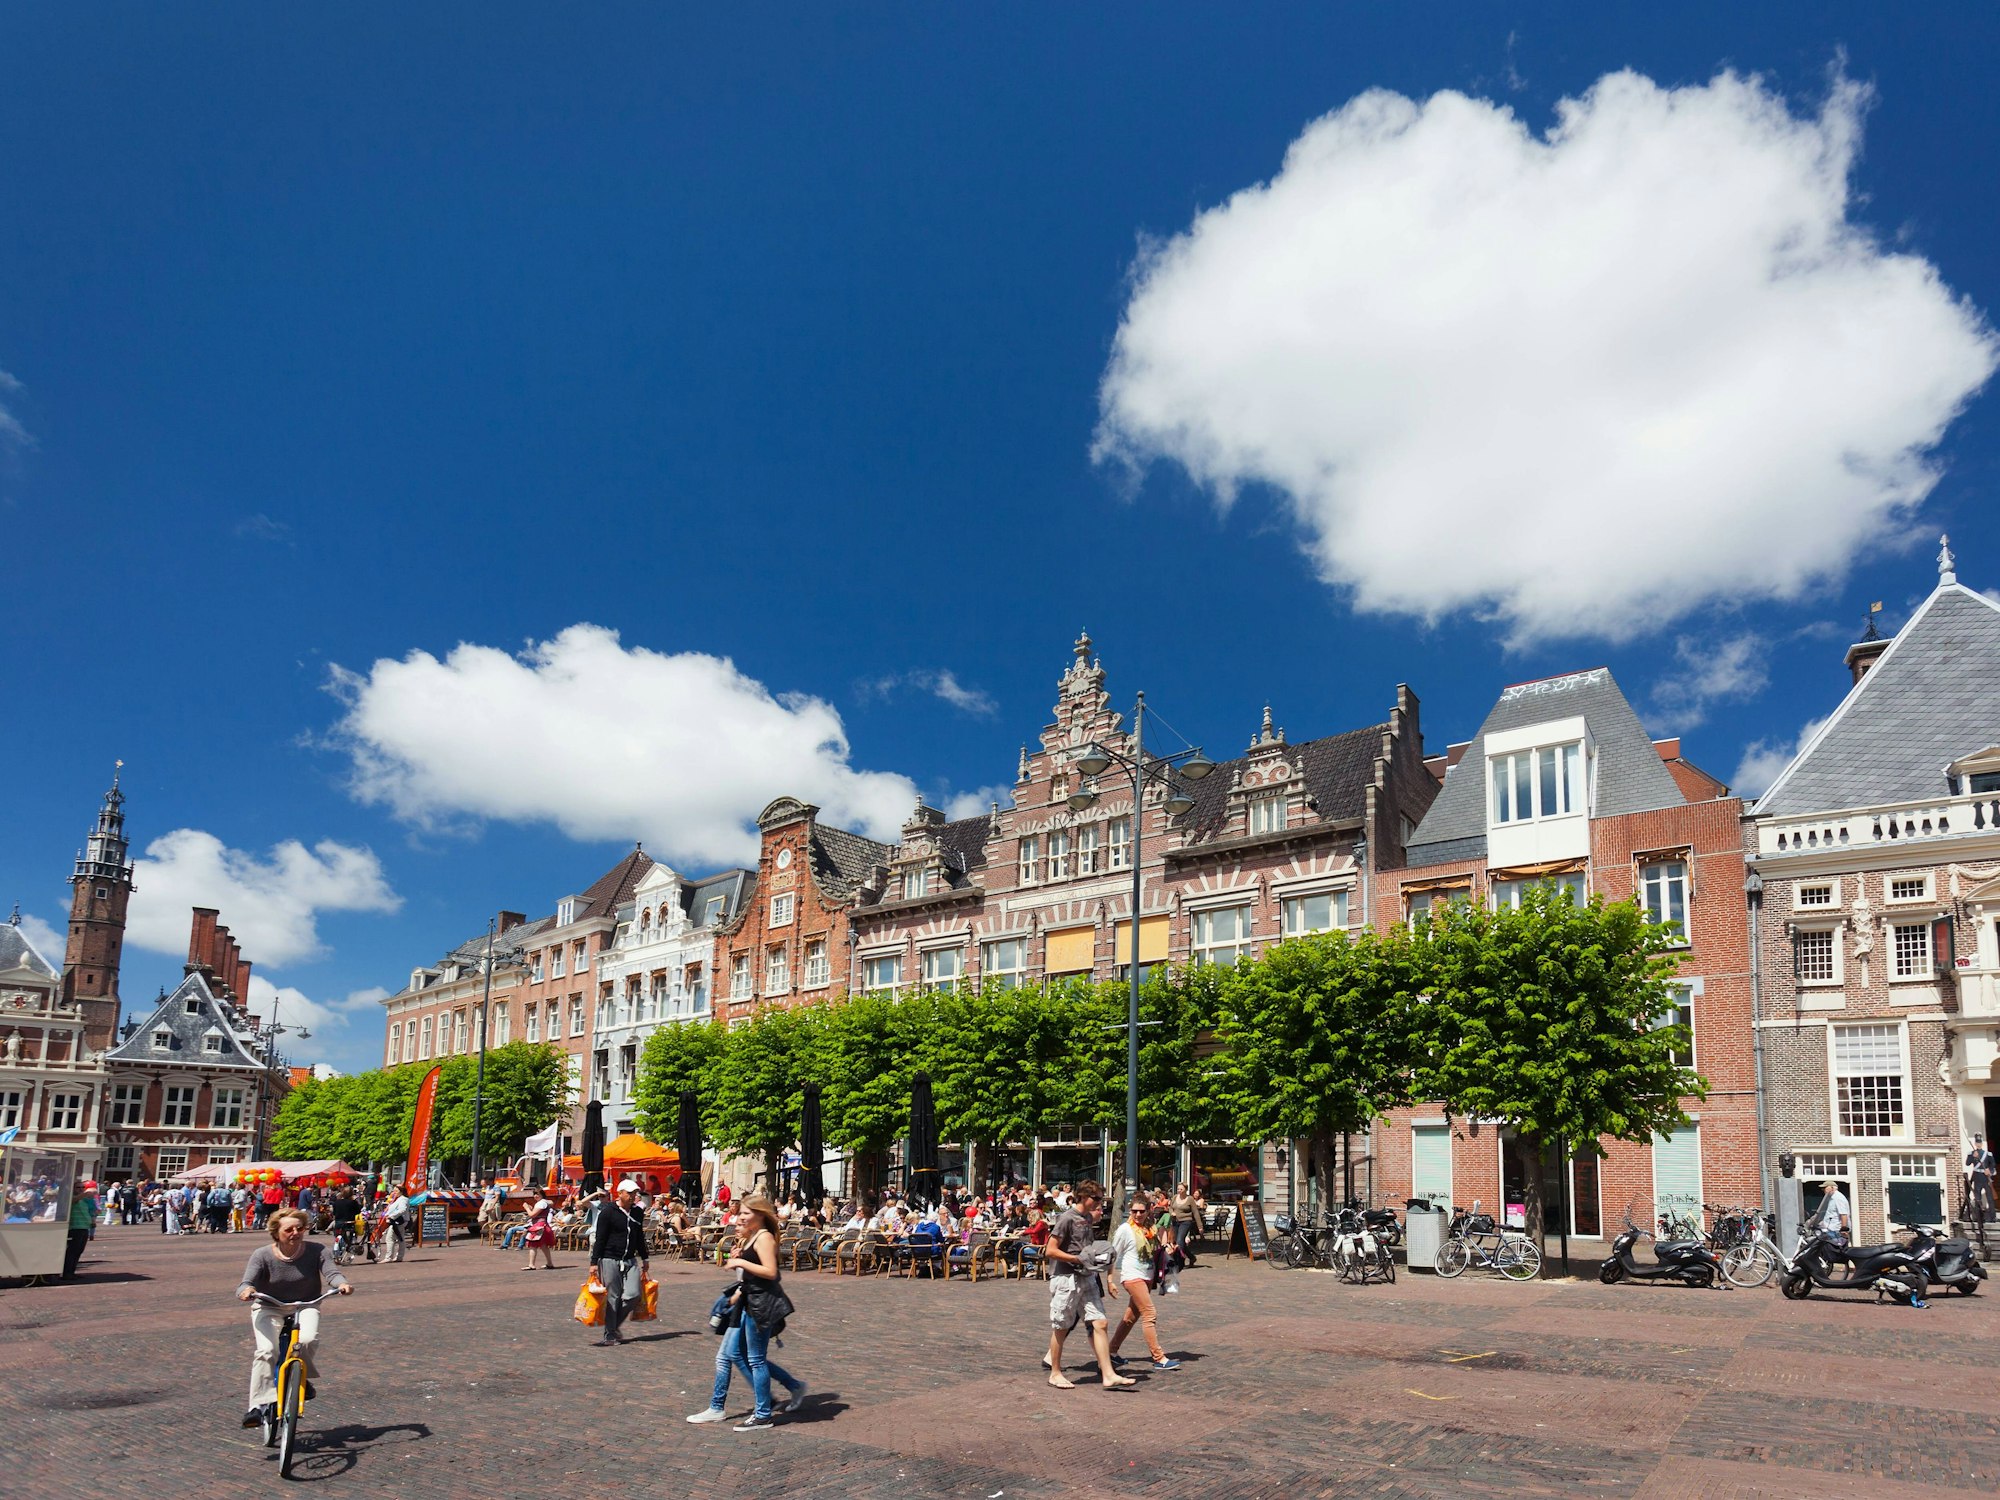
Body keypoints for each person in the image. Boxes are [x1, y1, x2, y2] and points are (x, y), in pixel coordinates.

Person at [687, 1194, 806, 1431]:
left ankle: (762, 1413)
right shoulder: (755, 1237)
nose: (740, 1217)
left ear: (760, 1214)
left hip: (761, 1305)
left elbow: (771, 1272)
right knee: (737, 1355)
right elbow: (755, 1275)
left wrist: (741, 1263)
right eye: (740, 1213)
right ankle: (779, 1394)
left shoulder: (764, 1238)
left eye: (745, 1213)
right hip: (750, 1302)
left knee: (754, 1359)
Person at [236, 1208, 352, 1429]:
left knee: (307, 1340)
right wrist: (247, 1290)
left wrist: (342, 1284)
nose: (295, 1233)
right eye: (288, 1229)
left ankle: (301, 1377)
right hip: (270, 1306)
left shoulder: (317, 1250)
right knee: (267, 1351)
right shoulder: (262, 1254)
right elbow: (246, 1281)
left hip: (305, 1305)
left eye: (300, 1228)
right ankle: (258, 1407)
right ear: (276, 1232)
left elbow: (331, 1273)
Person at [1041, 1181, 1134, 1392]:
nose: (1100, 1203)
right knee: (1061, 1326)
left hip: (1087, 1276)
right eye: (1097, 1199)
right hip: (1066, 1278)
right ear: (1083, 1197)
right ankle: (1055, 1373)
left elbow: (1088, 1237)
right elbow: (1050, 1250)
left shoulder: (1087, 1217)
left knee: (1100, 1322)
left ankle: (1108, 1374)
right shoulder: (1066, 1219)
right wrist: (1077, 1259)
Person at [1106, 1197, 1180, 1370]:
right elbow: (1112, 1254)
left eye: (1141, 1211)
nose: (1137, 1214)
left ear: (1148, 1211)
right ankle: (1159, 1358)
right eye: (1134, 1211)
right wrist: (1110, 1280)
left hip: (1147, 1276)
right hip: (1132, 1276)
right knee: (1149, 1313)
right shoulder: (1125, 1229)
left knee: (1130, 1317)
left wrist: (1168, 1250)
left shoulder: (1150, 1229)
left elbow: (1156, 1250)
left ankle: (1111, 1351)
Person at [590, 1179, 649, 1346]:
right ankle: (610, 1334)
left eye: (634, 1193)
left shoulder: (637, 1212)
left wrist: (645, 1257)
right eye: (629, 1193)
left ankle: (613, 1326)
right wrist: (594, 1262)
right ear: (620, 1193)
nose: (633, 1196)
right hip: (609, 1258)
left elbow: (639, 1236)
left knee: (633, 1295)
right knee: (613, 1297)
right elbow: (600, 1239)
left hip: (630, 1259)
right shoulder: (608, 1212)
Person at [63, 1179, 98, 1279]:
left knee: (79, 1251)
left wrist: (92, 1221)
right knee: (72, 1251)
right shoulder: (72, 1198)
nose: (81, 1189)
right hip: (75, 1227)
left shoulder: (84, 1200)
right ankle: (67, 1272)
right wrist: (86, 1193)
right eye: (78, 1187)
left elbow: (90, 1211)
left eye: (83, 1187)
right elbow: (74, 1200)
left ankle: (72, 1271)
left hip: (84, 1227)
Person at [1966, 1134, 1996, 1226]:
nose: (1978, 1144)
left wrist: (1989, 1171)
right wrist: (1973, 1157)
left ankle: (1992, 1216)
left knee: (1990, 1198)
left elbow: (1993, 1164)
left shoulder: (1987, 1154)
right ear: (1975, 1143)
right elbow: (1967, 1163)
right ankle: (1978, 1216)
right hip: (1977, 1177)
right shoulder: (1972, 1153)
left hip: (1985, 1177)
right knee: (1977, 1197)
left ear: (1981, 1143)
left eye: (1979, 1142)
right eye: (1977, 1142)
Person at [522, 1197, 556, 1270]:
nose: (535, 1196)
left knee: (532, 1245)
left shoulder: (542, 1203)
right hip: (542, 1225)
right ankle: (549, 1263)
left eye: (537, 1194)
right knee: (544, 1245)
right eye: (534, 1194)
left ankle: (531, 1265)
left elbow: (532, 1215)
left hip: (539, 1226)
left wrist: (527, 1208)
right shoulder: (544, 1203)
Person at [1816, 1179, 1851, 1245]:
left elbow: (1843, 1214)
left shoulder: (1838, 1198)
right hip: (1830, 1229)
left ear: (1832, 1187)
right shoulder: (1832, 1197)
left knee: (1835, 1249)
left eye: (1825, 1188)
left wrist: (1843, 1229)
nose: (1823, 1190)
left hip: (1835, 1231)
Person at [382, 1188, 411, 1263]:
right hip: (397, 1220)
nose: (394, 1192)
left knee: (390, 1238)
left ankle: (389, 1257)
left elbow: (402, 1209)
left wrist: (392, 1215)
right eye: (393, 1191)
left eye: (396, 1191)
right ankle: (399, 1256)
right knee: (400, 1238)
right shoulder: (399, 1199)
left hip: (398, 1221)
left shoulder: (403, 1199)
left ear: (401, 1191)